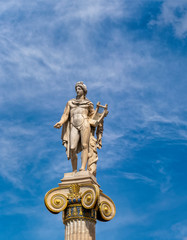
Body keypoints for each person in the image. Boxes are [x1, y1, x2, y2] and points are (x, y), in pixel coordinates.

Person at [54, 82, 97, 172]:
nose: (77, 90)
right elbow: (66, 114)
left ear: (84, 91)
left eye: (79, 89)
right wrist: (61, 122)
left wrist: (99, 119)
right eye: (76, 89)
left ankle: (82, 168)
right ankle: (74, 169)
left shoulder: (88, 103)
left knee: (85, 145)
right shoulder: (70, 102)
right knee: (72, 148)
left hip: (84, 123)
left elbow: (94, 116)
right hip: (73, 124)